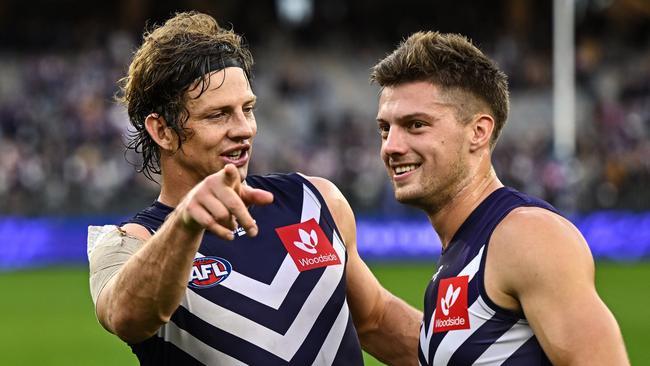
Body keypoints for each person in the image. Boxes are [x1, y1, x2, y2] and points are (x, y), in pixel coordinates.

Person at [87, 11, 421, 366]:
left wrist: (471, 349)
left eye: (247, 109)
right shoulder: (134, 241)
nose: (244, 128)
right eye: (218, 115)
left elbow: (375, 321)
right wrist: (186, 224)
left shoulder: (314, 201)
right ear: (163, 131)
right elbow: (126, 316)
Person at [370, 31, 629, 366]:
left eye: (416, 125)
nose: (391, 146)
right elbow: (377, 321)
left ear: (478, 132)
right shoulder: (465, 250)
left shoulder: (525, 235)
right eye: (385, 129)